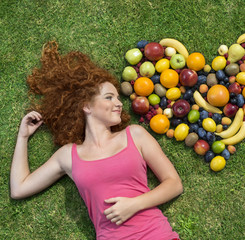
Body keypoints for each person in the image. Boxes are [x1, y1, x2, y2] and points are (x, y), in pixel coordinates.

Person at [10, 41, 183, 240]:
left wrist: (134, 204)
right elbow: (19, 188)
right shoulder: (69, 155)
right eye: (109, 97)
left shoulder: (134, 135)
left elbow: (174, 184)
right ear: (87, 106)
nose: (118, 103)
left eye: (118, 98)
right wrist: (23, 137)